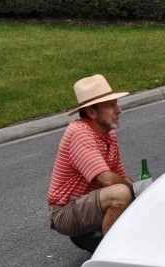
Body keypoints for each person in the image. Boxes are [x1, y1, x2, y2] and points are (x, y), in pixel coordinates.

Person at [47, 74, 134, 253]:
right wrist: (135, 192)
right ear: (91, 112)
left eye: (116, 103)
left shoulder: (109, 135)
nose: (119, 110)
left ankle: (94, 236)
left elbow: (121, 176)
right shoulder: (80, 132)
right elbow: (109, 180)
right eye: (111, 105)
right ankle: (111, 255)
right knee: (121, 193)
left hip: (85, 204)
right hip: (65, 212)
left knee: (130, 188)